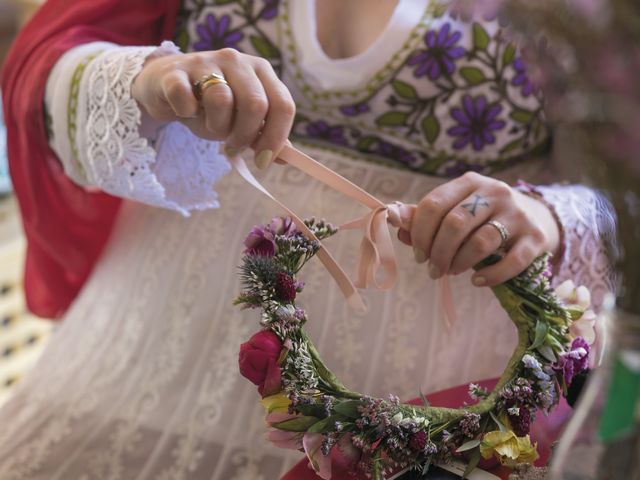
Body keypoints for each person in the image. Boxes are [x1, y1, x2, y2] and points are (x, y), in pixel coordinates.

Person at [0, 0, 616, 478]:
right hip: (153, 356)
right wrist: (150, 80)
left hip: (438, 403)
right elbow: (46, 66)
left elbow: (623, 184)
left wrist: (554, 217)